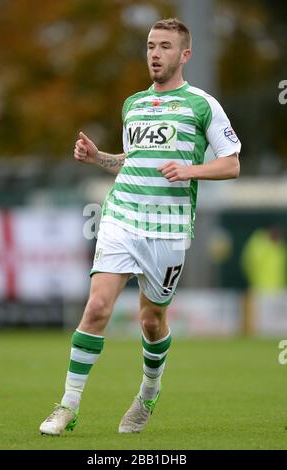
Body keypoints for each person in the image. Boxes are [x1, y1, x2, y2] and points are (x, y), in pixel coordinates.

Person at [40, 17, 241, 436]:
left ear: (184, 55)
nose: (155, 53)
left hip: (168, 228)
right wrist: (99, 158)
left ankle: (149, 392)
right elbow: (132, 162)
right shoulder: (133, 103)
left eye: (165, 46)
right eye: (151, 45)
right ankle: (67, 405)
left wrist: (191, 169)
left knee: (151, 321)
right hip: (122, 216)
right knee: (96, 308)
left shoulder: (202, 104)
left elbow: (232, 164)